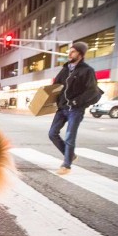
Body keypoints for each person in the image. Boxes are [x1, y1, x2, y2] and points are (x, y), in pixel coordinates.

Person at [48, 42, 99, 175]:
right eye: (69, 51)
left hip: (75, 109)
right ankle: (70, 155)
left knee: (70, 136)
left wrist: (77, 101)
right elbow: (55, 86)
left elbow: (92, 91)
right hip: (62, 108)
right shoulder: (65, 69)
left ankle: (66, 165)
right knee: (52, 133)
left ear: (80, 55)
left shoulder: (87, 71)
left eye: (73, 51)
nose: (70, 54)